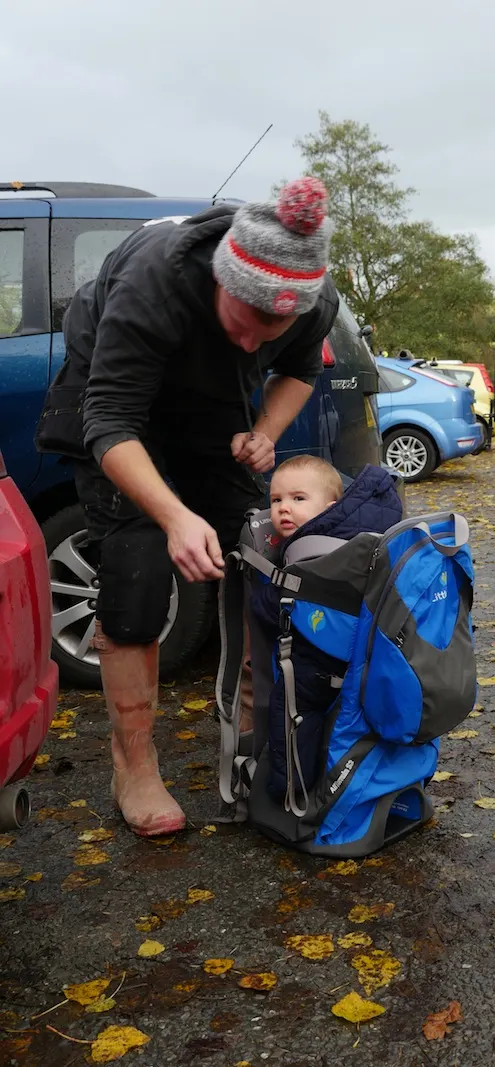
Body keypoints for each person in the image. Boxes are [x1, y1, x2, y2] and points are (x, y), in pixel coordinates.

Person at [35, 177, 338, 837]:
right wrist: (173, 515)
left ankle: (261, 732)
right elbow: (111, 422)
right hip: (114, 401)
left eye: (276, 325)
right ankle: (132, 762)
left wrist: (264, 432)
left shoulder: (311, 299)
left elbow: (301, 371)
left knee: (258, 550)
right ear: (221, 280)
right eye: (248, 318)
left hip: (209, 405)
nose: (259, 339)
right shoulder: (155, 280)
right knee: (138, 561)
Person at [250, 457, 403, 806]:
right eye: (275, 500)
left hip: (316, 670)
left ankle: (289, 786)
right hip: (373, 659)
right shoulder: (366, 537)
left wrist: (263, 583)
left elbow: (268, 610)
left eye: (298, 499)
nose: (283, 509)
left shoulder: (311, 553)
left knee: (289, 707)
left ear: (330, 507)